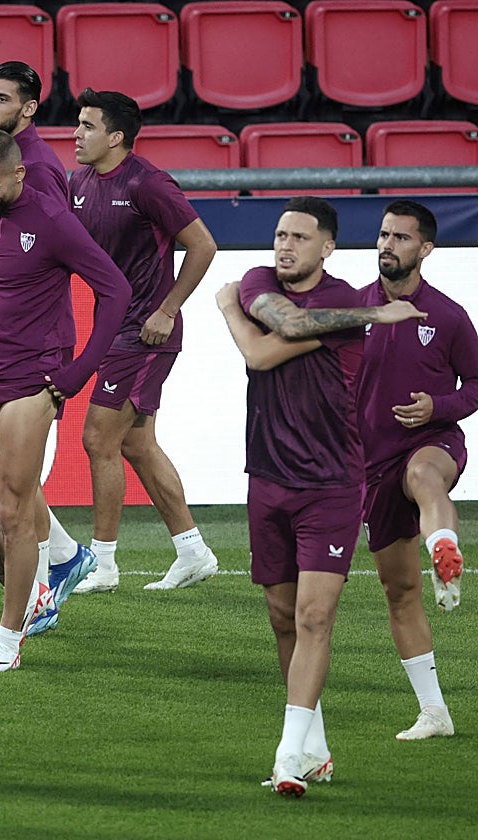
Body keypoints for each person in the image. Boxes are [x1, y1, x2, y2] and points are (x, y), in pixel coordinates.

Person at [214, 197, 425, 797]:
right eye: (280, 235)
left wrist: (229, 309)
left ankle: (286, 757)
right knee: (282, 618)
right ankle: (316, 748)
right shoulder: (264, 281)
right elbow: (269, 340)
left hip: (332, 483)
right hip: (267, 479)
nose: (285, 246)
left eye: (300, 238)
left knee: (313, 617)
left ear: (327, 247)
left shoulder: (350, 303)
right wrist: (241, 307)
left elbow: (264, 343)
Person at [0, 131, 130, 673]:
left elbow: (116, 290)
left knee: (13, 501)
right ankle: (32, 591)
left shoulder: (52, 220)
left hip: (32, 383)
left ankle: (9, 638)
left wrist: (78, 372)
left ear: (18, 175)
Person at [0, 61, 97, 628]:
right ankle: (59, 561)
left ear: (28, 108)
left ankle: (37, 591)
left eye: (0, 98)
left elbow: (64, 250)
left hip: (31, 362)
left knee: (6, 486)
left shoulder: (41, 171)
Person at [65, 88, 221, 594]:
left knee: (98, 439)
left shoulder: (148, 183)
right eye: (78, 123)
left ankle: (104, 564)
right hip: (115, 330)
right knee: (135, 441)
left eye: (88, 126)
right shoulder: (79, 182)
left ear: (116, 137)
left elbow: (202, 244)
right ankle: (193, 551)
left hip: (146, 333)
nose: (76, 133)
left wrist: (167, 308)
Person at [356, 200, 478, 740]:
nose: (388, 245)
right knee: (399, 591)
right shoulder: (353, 310)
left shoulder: (448, 316)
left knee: (425, 477)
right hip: (370, 465)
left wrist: (439, 407)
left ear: (425, 248)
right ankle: (435, 713)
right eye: (384, 235)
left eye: (401, 238)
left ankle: (444, 548)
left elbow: (475, 384)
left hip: (431, 440)